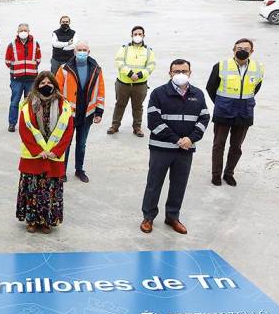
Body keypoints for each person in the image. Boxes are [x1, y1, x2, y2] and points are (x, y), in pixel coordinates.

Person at [140, 59, 210, 235]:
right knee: (154, 184)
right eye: (176, 71)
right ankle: (148, 217)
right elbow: (153, 121)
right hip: (161, 149)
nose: (180, 74)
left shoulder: (198, 95)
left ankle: (172, 216)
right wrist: (177, 140)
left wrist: (191, 139)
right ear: (169, 73)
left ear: (190, 73)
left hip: (185, 150)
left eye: (184, 71)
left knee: (179, 184)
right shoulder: (158, 93)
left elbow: (204, 119)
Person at [16, 72, 74, 234]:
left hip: (53, 157)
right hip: (33, 157)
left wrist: (56, 151)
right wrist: (37, 150)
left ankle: (46, 221)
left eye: (49, 83)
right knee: (32, 190)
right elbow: (24, 129)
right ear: (37, 85)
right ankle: (32, 221)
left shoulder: (64, 105)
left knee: (50, 191)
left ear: (55, 85)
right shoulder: (27, 104)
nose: (46, 86)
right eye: (42, 83)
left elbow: (68, 131)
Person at [206, 38, 265, 187]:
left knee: (236, 146)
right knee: (219, 144)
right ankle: (216, 175)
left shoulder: (258, 68)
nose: (242, 50)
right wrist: (220, 103)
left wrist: (244, 100)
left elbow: (255, 88)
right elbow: (211, 87)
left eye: (246, 48)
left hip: (245, 112)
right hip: (224, 111)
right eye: (239, 48)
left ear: (252, 51)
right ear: (233, 50)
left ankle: (229, 173)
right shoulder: (221, 66)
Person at [55, 41, 105, 183]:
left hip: (87, 114)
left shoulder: (96, 69)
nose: (82, 52)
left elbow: (100, 91)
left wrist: (99, 112)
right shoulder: (64, 69)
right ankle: (61, 171)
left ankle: (79, 169)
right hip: (69, 115)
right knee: (66, 143)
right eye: (79, 49)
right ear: (74, 52)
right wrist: (59, 111)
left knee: (81, 144)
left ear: (89, 52)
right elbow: (57, 90)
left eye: (84, 49)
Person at [108, 26, 156, 137]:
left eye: (140, 34)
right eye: (135, 34)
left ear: (144, 36)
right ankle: (115, 126)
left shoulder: (148, 51)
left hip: (140, 85)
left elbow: (151, 65)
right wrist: (130, 73)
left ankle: (137, 127)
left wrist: (139, 75)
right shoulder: (124, 48)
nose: (138, 36)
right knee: (119, 105)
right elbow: (119, 62)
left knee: (138, 107)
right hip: (123, 83)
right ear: (131, 35)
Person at [5, 23, 41, 132]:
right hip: (17, 79)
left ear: (29, 31)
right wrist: (17, 69)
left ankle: (28, 124)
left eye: (25, 30)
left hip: (31, 79)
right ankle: (12, 123)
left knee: (30, 103)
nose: (23, 32)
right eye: (21, 30)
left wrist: (31, 68)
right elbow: (7, 61)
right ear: (17, 32)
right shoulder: (12, 44)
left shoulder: (35, 44)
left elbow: (38, 59)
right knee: (15, 102)